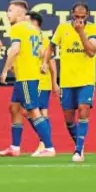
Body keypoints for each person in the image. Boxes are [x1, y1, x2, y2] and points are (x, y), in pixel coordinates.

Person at [43, 1, 96, 163]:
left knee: (83, 109)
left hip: (86, 79)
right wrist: (44, 62)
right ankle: (79, 144)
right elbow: (51, 46)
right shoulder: (62, 28)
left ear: (87, 16)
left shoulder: (92, 29)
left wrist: (81, 32)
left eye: (83, 17)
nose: (79, 20)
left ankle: (78, 149)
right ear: (71, 14)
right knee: (68, 118)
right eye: (76, 17)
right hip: (67, 80)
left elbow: (91, 51)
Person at [0, 0, 55, 158]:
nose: (7, 14)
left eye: (10, 10)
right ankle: (15, 147)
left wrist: (4, 70)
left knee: (33, 111)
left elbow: (14, 49)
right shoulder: (34, 30)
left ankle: (48, 147)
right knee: (14, 107)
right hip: (27, 74)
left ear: (19, 13)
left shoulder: (17, 28)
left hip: (26, 76)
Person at [25, 11, 59, 154]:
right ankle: (45, 144)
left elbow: (51, 62)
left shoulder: (43, 40)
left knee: (34, 112)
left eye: (26, 21)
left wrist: (54, 83)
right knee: (40, 113)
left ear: (34, 23)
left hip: (40, 81)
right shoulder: (31, 38)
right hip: (35, 80)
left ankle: (44, 143)